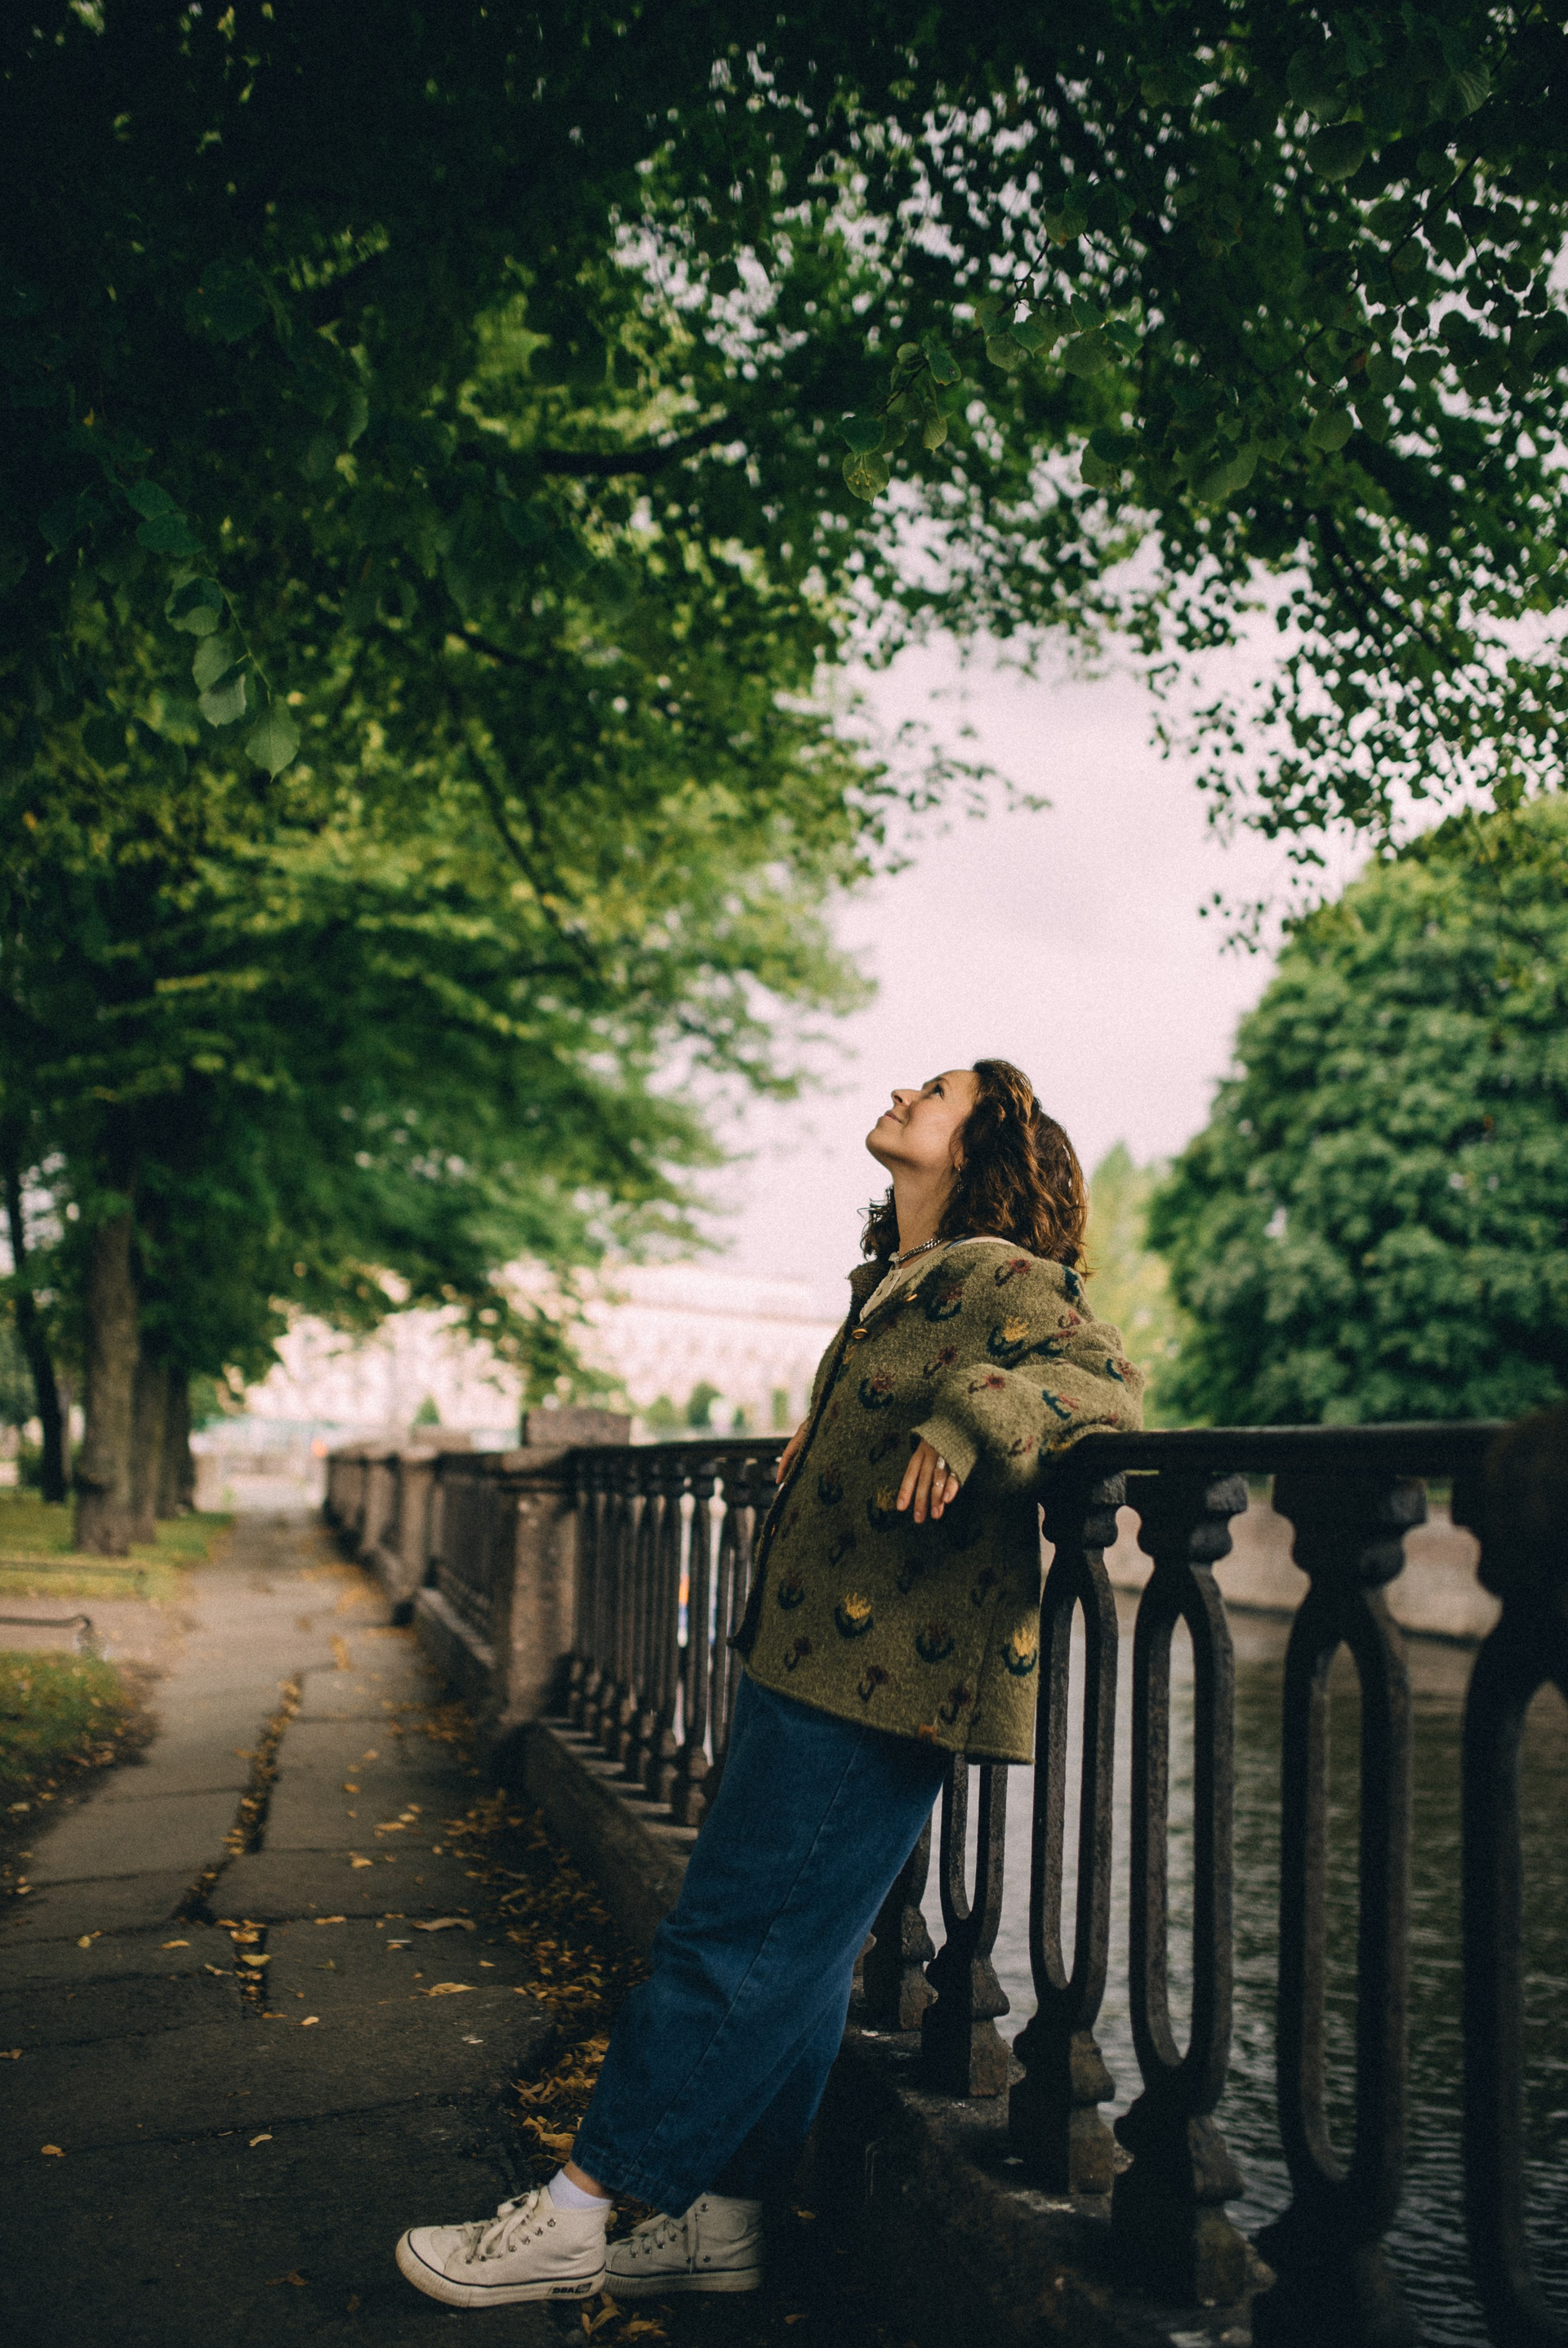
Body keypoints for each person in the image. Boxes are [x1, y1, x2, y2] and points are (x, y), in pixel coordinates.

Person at [395, 1058, 1145, 2308]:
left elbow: (1106, 1386)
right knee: (797, 1959)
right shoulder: (898, 1280)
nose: (905, 1091)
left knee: (729, 1942)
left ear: (984, 1144)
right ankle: (724, 2221)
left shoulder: (1001, 1274)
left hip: (877, 1677)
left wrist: (971, 1416)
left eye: (938, 1091)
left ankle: (578, 2210)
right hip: (810, 1656)